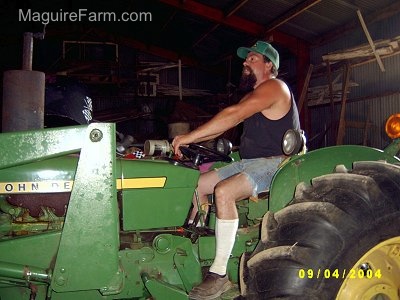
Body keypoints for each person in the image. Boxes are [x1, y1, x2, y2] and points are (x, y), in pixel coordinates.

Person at [172, 41, 300, 299]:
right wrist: (192, 140)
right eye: (246, 59)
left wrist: (187, 136)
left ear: (268, 65)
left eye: (252, 58)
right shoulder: (253, 96)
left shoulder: (276, 88)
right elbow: (224, 125)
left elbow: (234, 114)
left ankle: (219, 274)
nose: (245, 62)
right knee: (197, 184)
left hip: (277, 163)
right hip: (248, 161)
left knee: (223, 191)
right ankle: (194, 235)